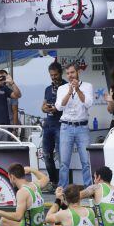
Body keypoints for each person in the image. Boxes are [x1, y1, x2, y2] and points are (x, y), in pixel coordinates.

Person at [56, 63, 94, 188]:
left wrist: (77, 90)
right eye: (67, 73)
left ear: (78, 72)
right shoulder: (62, 88)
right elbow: (59, 106)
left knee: (86, 162)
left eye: (72, 72)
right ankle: (62, 191)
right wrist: (69, 92)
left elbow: (88, 104)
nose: (70, 76)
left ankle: (89, 190)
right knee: (64, 163)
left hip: (82, 127)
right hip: (66, 127)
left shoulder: (88, 86)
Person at [41, 61, 64, 190]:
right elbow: (42, 106)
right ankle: (54, 181)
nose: (53, 77)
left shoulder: (66, 86)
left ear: (60, 73)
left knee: (61, 156)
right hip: (48, 125)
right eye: (51, 75)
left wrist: (57, 109)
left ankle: (62, 183)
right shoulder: (48, 89)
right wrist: (46, 108)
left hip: (60, 125)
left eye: (55, 75)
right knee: (46, 154)